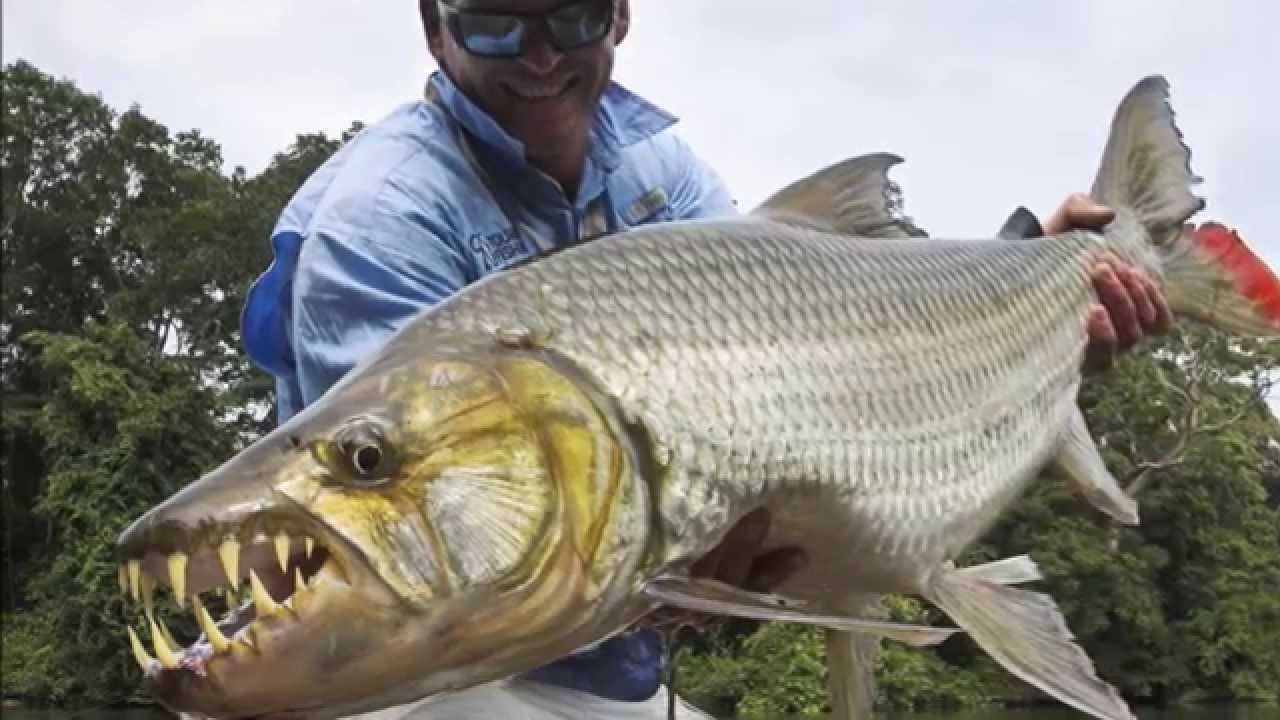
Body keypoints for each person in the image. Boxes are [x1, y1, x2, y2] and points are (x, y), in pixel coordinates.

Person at [239, 1, 1172, 717]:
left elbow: (817, 319)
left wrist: (1029, 262)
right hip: (433, 676)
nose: (541, 55)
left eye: (571, 13)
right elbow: (418, 561)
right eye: (494, 20)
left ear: (621, 14)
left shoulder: (662, 170)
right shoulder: (382, 221)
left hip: (615, 667)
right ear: (434, 28)